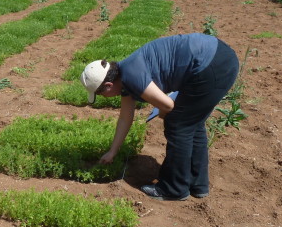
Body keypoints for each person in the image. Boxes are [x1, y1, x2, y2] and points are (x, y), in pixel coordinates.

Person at [80, 33, 239, 201]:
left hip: (211, 65)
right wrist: (112, 151)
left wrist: (163, 113)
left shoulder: (131, 75)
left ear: (108, 85)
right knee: (192, 122)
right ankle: (198, 184)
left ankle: (174, 188)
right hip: (217, 58)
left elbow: (168, 105)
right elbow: (125, 118)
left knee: (178, 125)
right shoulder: (124, 77)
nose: (103, 98)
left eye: (100, 94)